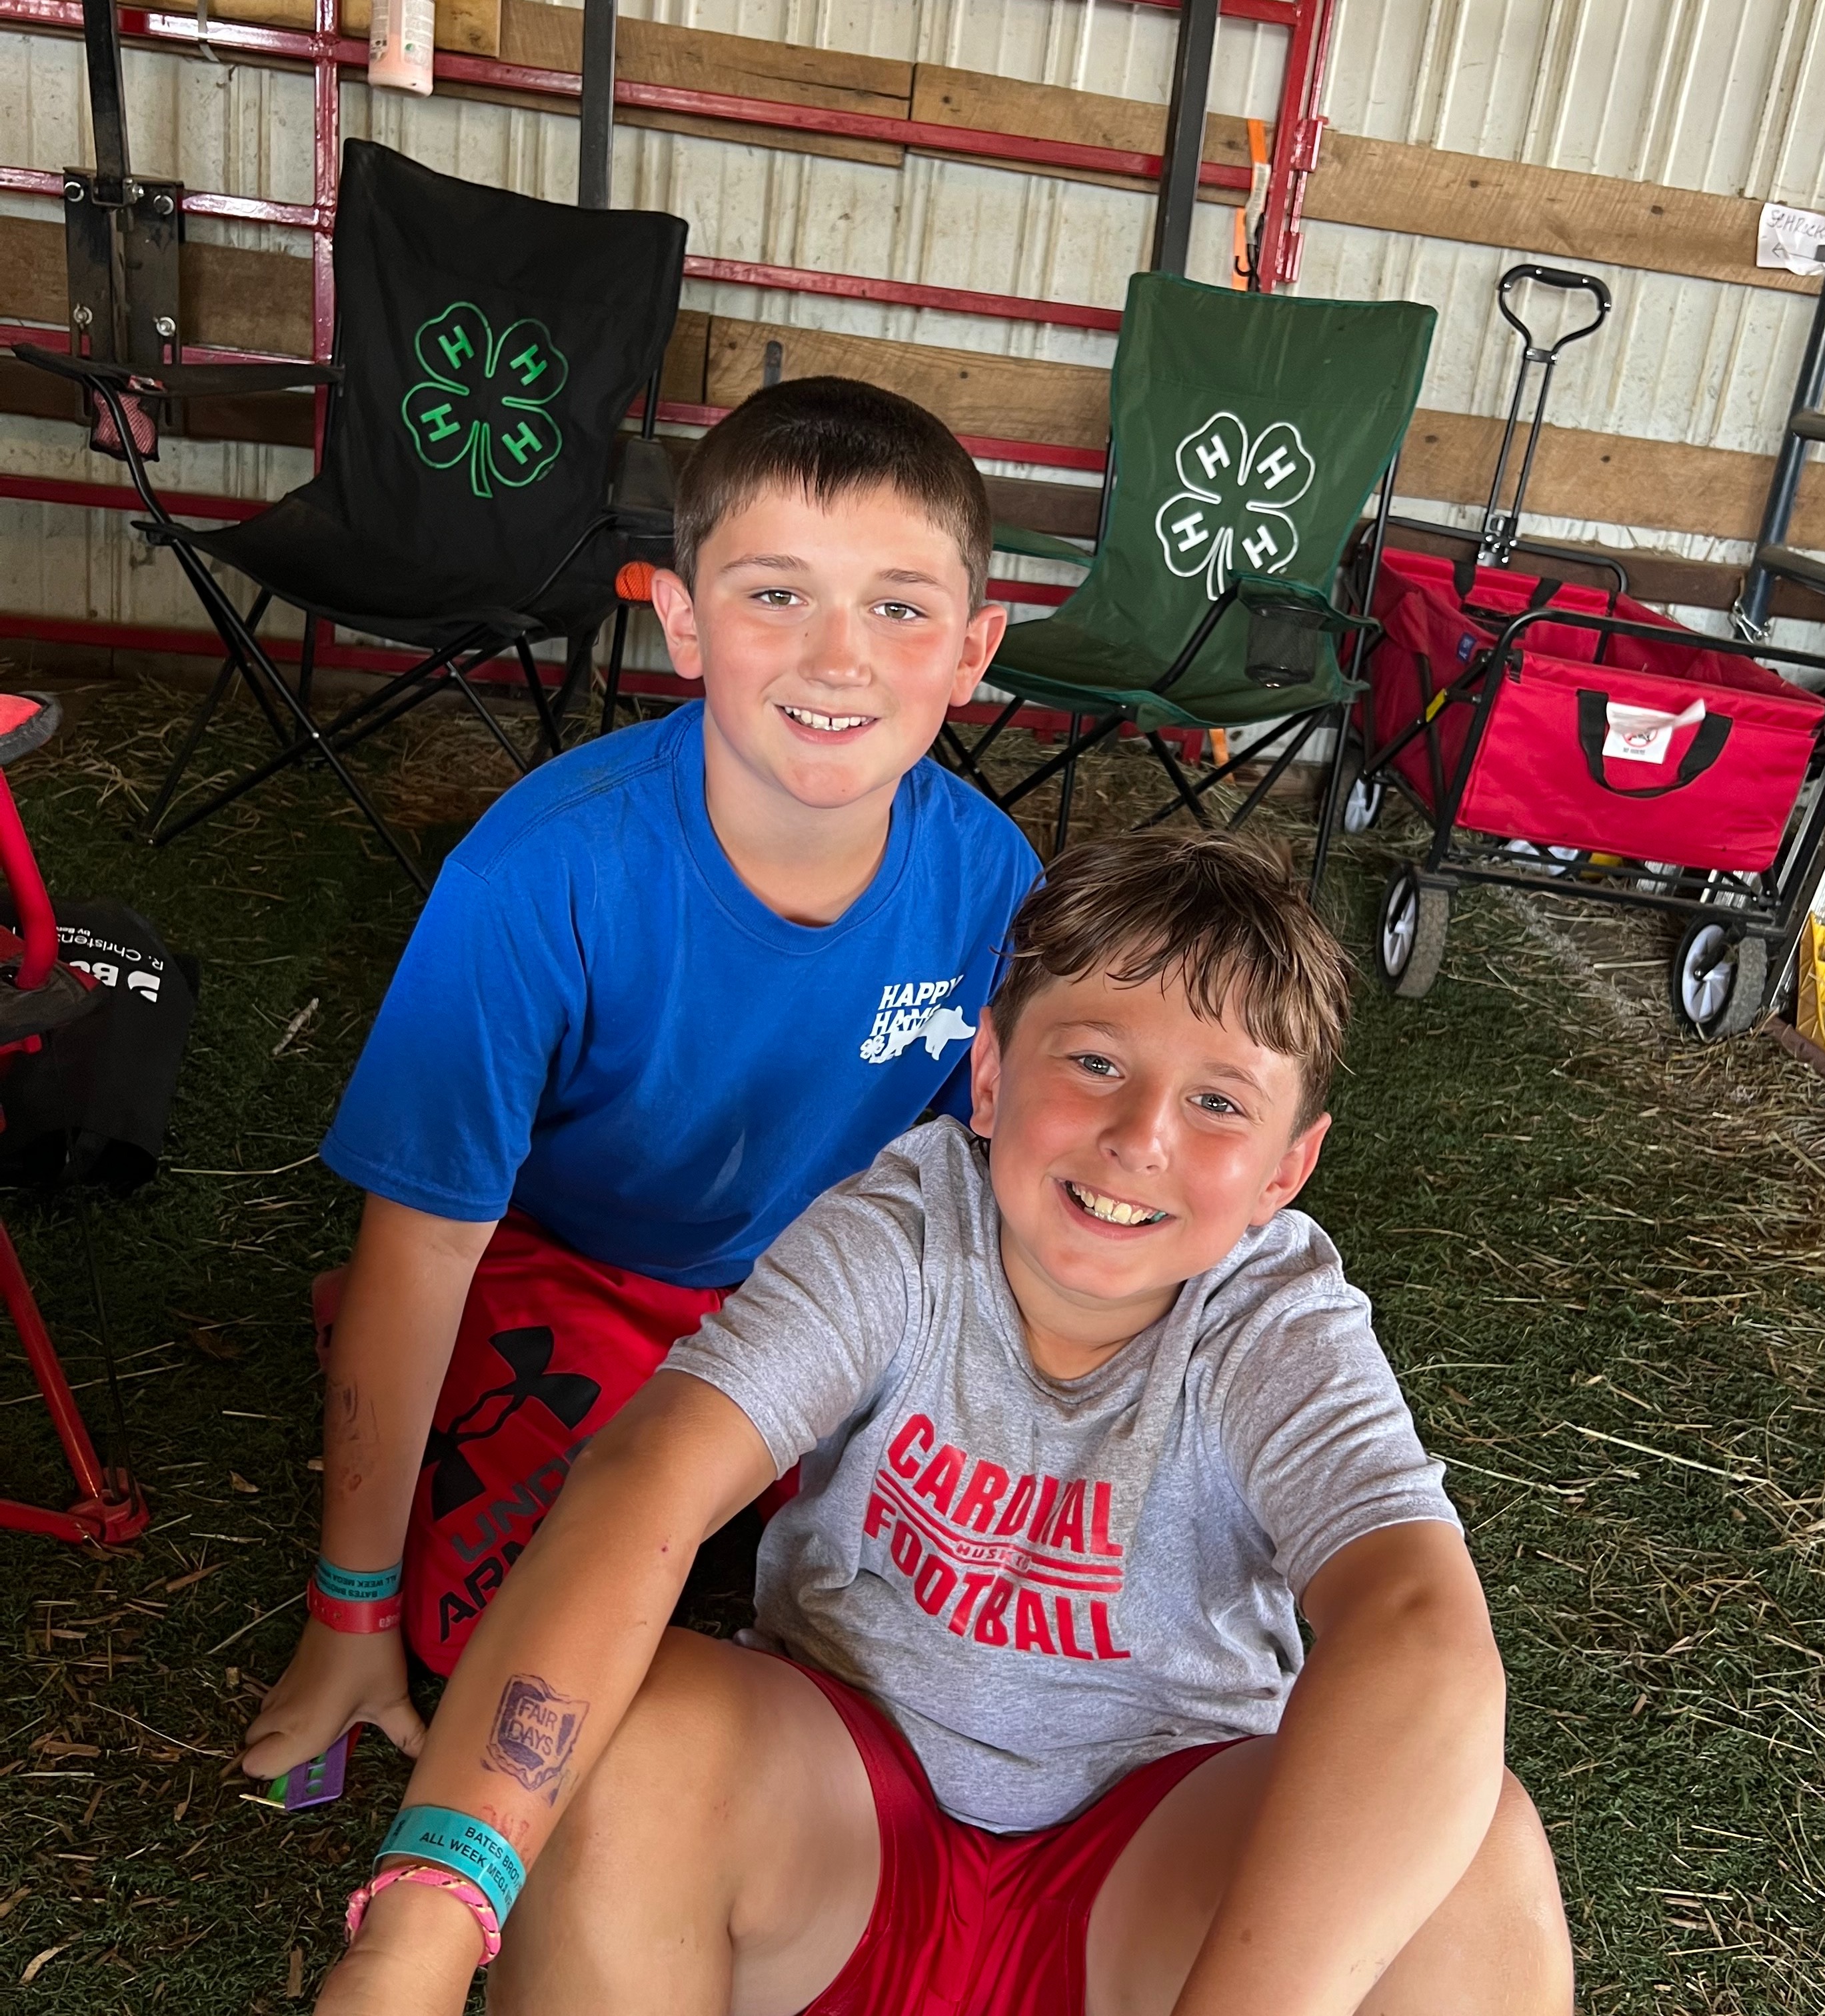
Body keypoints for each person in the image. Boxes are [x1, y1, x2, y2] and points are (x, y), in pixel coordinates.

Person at [317, 829, 1575, 2016]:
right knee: (647, 1734)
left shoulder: (1274, 1316)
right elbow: (650, 1477)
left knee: (1474, 1854)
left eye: (1220, 1105)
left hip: (1155, 1890)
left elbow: (1420, 1631)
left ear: (1286, 1174)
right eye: (1094, 1062)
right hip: (844, 1841)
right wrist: (422, 1926)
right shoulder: (905, 1228)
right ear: (986, 1076)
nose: (1141, 1137)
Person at [241, 377, 1040, 1780]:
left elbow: (972, 1193)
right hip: (583, 1268)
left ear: (975, 649)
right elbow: (425, 1240)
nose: (839, 658)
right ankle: (416, 1382)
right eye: (775, 595)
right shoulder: (538, 872)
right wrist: (344, 1609)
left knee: (969, 1609)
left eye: (900, 607)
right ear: (680, 622)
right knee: (468, 1632)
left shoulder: (992, 884)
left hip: (816, 1294)